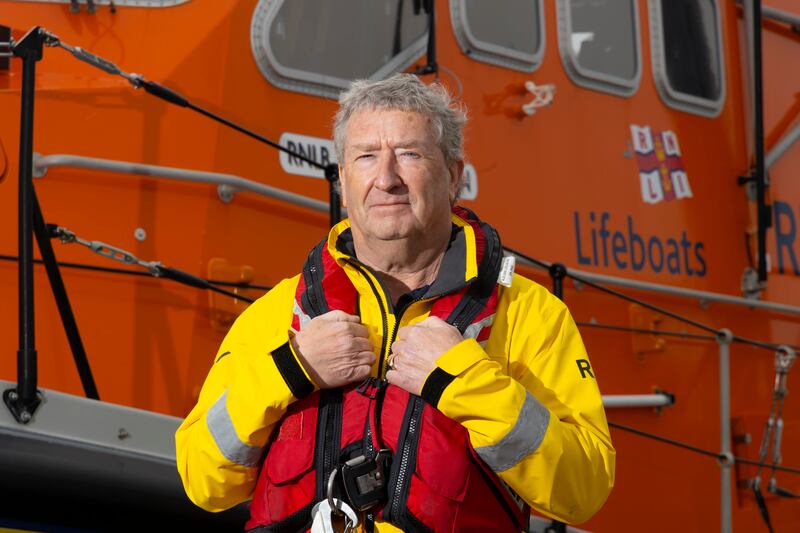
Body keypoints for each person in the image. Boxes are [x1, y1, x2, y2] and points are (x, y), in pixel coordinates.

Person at [176, 74, 615, 532]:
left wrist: (464, 380)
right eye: (366, 157)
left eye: (409, 154)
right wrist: (290, 368)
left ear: (453, 176)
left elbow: (582, 492)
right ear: (343, 183)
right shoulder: (276, 315)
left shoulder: (529, 314)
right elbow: (203, 482)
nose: (386, 179)